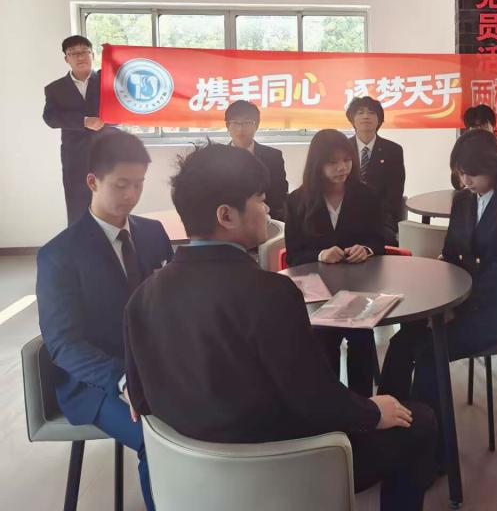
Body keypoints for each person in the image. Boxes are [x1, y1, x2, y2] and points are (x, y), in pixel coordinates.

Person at [123, 143, 437, 511]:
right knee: (418, 422)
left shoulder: (141, 299)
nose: (268, 209)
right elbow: (314, 399)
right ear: (226, 215)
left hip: (192, 480)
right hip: (281, 468)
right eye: (259, 200)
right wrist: (373, 411)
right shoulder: (271, 293)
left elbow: (139, 401)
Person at [37, 131, 172, 511]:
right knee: (157, 438)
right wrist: (123, 378)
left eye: (139, 184)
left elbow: (168, 304)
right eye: (121, 184)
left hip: (155, 368)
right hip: (95, 383)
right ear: (92, 182)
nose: (132, 195)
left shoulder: (152, 233)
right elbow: (64, 344)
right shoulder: (59, 255)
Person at [378, 130, 497, 434]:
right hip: (460, 299)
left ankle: (430, 441)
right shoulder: (463, 200)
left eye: (472, 174)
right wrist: (438, 300)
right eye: (461, 173)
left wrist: (455, 307)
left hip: (496, 307)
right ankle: (386, 430)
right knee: (401, 342)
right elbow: (451, 253)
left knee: (429, 352)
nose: (465, 181)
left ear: (493, 166)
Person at [284, 129, 386, 396]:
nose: (342, 168)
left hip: (358, 288)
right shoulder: (297, 200)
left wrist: (366, 249)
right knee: (322, 343)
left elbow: (379, 240)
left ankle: (363, 404)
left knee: (362, 339)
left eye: (347, 160)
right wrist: (320, 254)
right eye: (333, 162)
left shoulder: (366, 195)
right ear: (317, 164)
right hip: (319, 292)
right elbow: (293, 254)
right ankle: (331, 404)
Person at [43, 35, 117, 223]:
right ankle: (79, 241)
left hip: (108, 153)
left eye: (84, 52)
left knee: (112, 203)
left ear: (93, 55)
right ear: (66, 58)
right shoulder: (55, 89)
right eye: (73, 53)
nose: (80, 56)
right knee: (77, 206)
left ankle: (114, 240)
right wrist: (83, 121)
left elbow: (123, 106)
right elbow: (50, 118)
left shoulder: (109, 80)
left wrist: (113, 55)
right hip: (75, 156)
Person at [346, 96, 405, 246]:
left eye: (371, 112)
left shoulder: (393, 150)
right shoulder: (342, 148)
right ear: (352, 119)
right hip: (345, 216)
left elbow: (395, 193)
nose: (366, 116)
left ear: (379, 120)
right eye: (360, 112)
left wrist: (378, 218)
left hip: (381, 219)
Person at [224, 100, 288, 222]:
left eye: (247, 122)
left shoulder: (273, 156)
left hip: (267, 219)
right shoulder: (217, 158)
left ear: (256, 126)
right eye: (235, 123)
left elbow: (280, 194)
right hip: (229, 222)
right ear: (228, 126)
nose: (241, 128)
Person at [461, 104, 497, 188]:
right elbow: (458, 183)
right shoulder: (465, 148)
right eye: (474, 127)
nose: (479, 130)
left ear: (493, 126)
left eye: (483, 125)